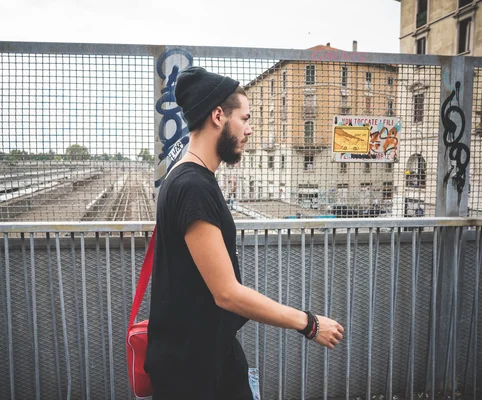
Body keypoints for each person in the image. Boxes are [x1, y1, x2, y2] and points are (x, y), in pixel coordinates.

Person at [144, 66, 344, 399]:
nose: (250, 130)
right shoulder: (193, 186)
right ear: (218, 115)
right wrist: (308, 324)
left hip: (203, 357)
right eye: (245, 118)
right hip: (193, 371)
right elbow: (227, 293)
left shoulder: (185, 176)